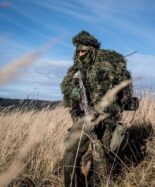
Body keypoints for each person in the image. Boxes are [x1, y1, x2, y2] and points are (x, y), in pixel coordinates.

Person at [61, 31, 138, 187]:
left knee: (100, 154)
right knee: (71, 151)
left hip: (105, 118)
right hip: (83, 118)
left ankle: (100, 183)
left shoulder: (106, 68)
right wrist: (76, 108)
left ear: (92, 49)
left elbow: (113, 96)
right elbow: (71, 97)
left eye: (84, 51)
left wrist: (101, 115)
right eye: (78, 51)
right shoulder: (76, 71)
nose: (80, 54)